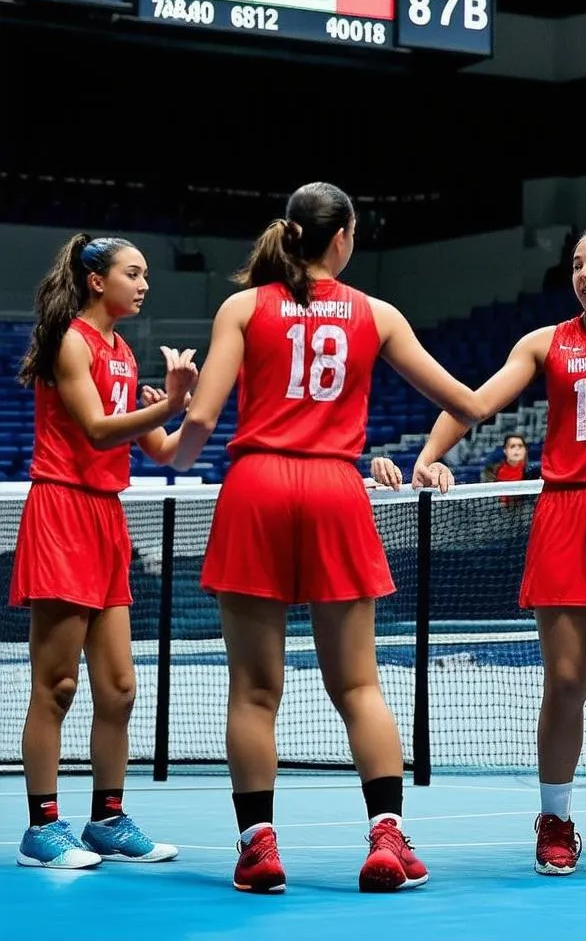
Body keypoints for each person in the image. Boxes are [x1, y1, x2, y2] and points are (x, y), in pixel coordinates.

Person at [170, 182, 485, 894]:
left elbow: (200, 421)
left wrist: (169, 453)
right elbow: (466, 404)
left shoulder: (243, 307)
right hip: (335, 492)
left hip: (256, 489)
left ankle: (258, 848)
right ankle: (386, 840)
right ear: (342, 236)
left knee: (254, 689)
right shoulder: (376, 314)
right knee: (359, 685)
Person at [413, 227, 586, 878]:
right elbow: (477, 403)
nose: (583, 274)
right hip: (566, 514)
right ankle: (556, 817)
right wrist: (429, 456)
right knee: (566, 680)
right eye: (575, 265)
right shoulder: (544, 342)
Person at [11, 233, 196, 869]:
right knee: (56, 685)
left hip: (106, 518)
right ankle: (42, 828)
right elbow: (92, 430)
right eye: (134, 273)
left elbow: (165, 453)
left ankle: (108, 820)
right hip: (61, 510)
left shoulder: (119, 349)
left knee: (118, 688)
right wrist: (166, 406)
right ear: (97, 281)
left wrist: (183, 407)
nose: (144, 285)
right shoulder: (70, 340)